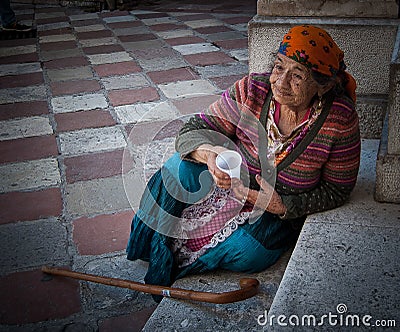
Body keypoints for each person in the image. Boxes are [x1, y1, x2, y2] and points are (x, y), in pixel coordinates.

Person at [126, 25, 361, 298]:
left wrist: (283, 205)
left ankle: (186, 256)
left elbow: (338, 189)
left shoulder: (339, 119)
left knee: (250, 250)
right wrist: (208, 154)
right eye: (278, 67)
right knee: (176, 170)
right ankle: (152, 244)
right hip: (226, 184)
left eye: (297, 76)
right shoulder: (253, 89)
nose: (281, 83)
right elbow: (193, 130)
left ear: (323, 85)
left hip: (273, 210)